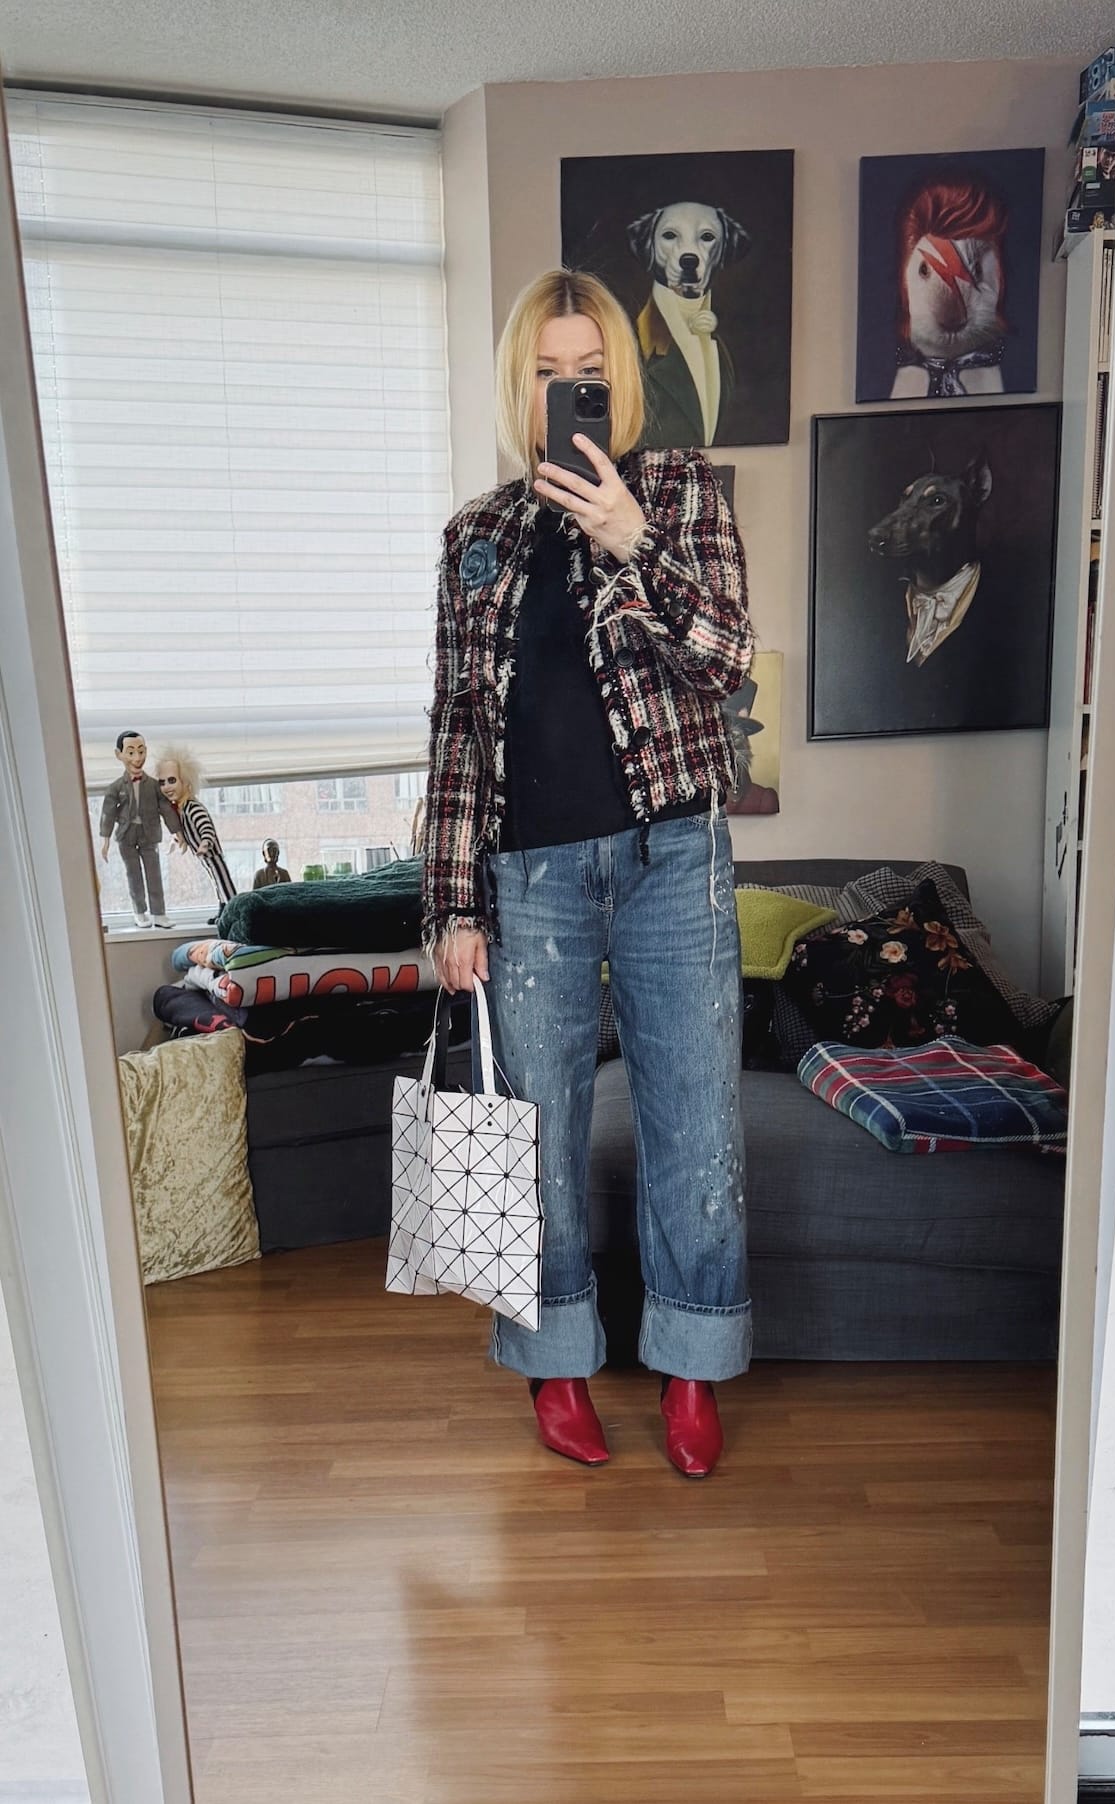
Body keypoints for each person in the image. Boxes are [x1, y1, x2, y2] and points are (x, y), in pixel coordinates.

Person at [420, 268, 755, 1479]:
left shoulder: (681, 491)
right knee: (536, 1134)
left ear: (621, 381)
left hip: (672, 859)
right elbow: (459, 728)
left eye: (591, 373)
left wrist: (631, 541)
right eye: (547, 373)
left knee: (694, 1121)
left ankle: (691, 1366)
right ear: (520, 386)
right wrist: (452, 899)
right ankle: (554, 1361)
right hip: (529, 877)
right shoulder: (476, 537)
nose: (569, 392)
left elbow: (726, 661)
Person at [99, 729, 181, 927]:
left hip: (149, 834)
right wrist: (105, 839)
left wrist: (177, 832)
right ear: (119, 755)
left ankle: (159, 913)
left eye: (141, 751)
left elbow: (166, 809)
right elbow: (108, 812)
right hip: (126, 835)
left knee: (154, 874)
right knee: (133, 875)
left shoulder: (153, 785)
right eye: (130, 752)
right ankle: (139, 911)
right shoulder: (116, 787)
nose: (137, 758)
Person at [156, 746, 236, 916]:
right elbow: (185, 831)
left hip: (212, 854)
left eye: (172, 780)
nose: (166, 787)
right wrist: (176, 841)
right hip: (203, 857)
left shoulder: (193, 808)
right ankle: (223, 908)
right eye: (162, 782)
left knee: (222, 880)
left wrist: (205, 843)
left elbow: (205, 827)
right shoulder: (181, 810)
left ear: (186, 782)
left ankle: (233, 909)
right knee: (215, 881)